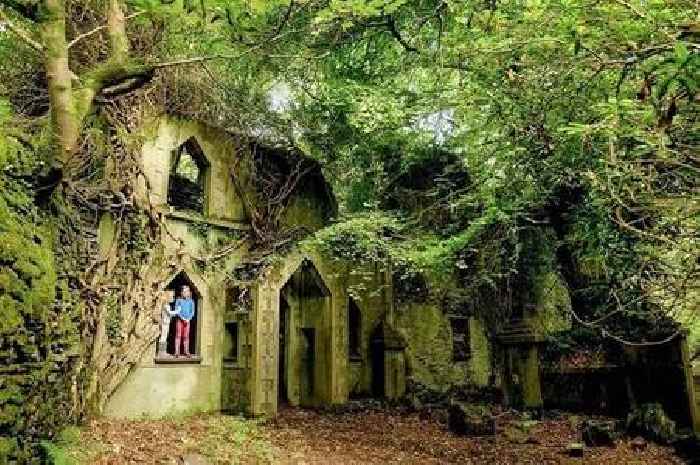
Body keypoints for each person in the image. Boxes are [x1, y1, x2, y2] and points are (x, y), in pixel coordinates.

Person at [174, 285, 195, 357]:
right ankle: (177, 352)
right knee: (178, 335)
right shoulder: (178, 300)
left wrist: (188, 319)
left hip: (187, 321)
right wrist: (182, 318)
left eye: (188, 291)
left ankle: (186, 351)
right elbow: (177, 310)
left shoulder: (191, 301)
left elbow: (192, 312)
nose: (186, 292)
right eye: (185, 291)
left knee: (186, 336)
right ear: (182, 292)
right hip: (180, 320)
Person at [158, 289, 177, 357]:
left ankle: (163, 351)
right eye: (172, 296)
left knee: (165, 336)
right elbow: (170, 313)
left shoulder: (167, 305)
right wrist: (177, 311)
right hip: (164, 323)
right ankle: (161, 352)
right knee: (163, 337)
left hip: (166, 322)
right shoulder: (166, 305)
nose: (173, 298)